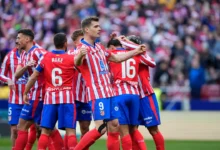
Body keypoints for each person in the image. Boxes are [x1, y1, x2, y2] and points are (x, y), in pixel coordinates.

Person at [74, 16, 146, 150]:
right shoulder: (81, 48)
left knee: (114, 126)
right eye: (96, 26)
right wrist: (79, 56)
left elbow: (116, 58)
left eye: (99, 26)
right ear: (87, 29)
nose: (99, 28)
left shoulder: (100, 47)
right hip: (98, 93)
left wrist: (136, 51)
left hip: (109, 93)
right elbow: (76, 62)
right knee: (101, 128)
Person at [23, 33, 78, 150]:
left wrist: (25, 92)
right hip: (67, 98)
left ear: (54, 43)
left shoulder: (46, 57)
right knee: (70, 131)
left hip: (50, 99)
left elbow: (33, 76)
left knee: (45, 131)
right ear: (65, 44)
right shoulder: (71, 58)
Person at [14, 29, 63, 150]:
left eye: (19, 38)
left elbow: (52, 67)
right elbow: (16, 75)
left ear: (27, 39)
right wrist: (26, 66)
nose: (16, 41)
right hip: (34, 93)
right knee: (47, 127)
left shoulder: (39, 52)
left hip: (39, 94)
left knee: (22, 125)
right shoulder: (23, 53)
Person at [107, 38, 152, 150]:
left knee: (123, 131)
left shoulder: (112, 55)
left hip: (120, 94)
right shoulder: (135, 55)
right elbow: (151, 62)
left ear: (112, 47)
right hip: (134, 95)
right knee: (133, 129)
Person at [126, 35, 165, 150]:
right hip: (132, 96)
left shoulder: (140, 55)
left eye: (127, 44)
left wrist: (135, 48)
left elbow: (152, 63)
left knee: (153, 129)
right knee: (132, 129)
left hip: (145, 96)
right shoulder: (123, 56)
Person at [65, 29, 92, 150]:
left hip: (86, 97)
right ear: (75, 42)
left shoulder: (91, 53)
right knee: (70, 128)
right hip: (72, 97)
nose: (84, 42)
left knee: (85, 128)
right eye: (82, 40)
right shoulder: (70, 54)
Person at [0, 42, 26, 150]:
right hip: (14, 99)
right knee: (14, 129)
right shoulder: (9, 56)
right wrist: (8, 80)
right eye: (16, 42)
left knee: (34, 129)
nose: (18, 44)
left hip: (29, 99)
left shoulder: (32, 54)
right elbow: (1, 74)